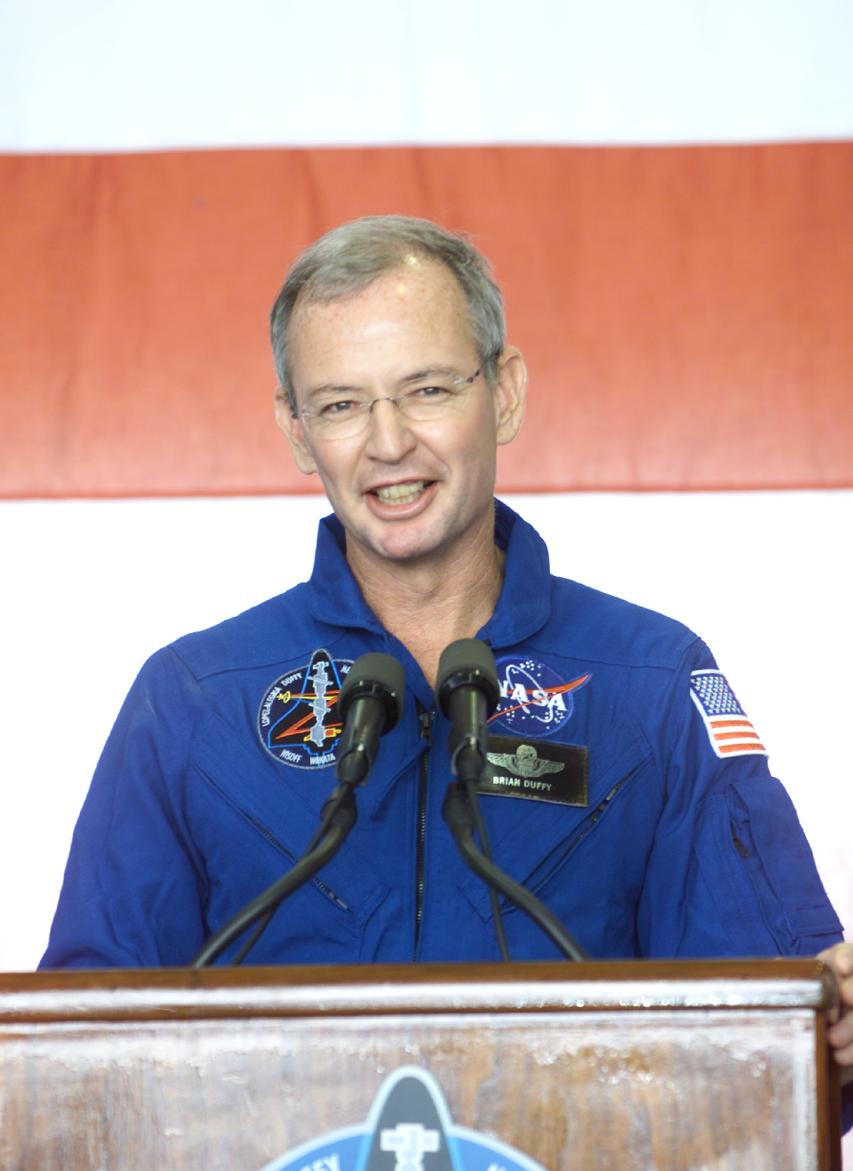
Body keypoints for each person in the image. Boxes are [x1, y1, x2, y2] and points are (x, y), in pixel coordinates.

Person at [39, 215, 853, 1091]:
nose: (388, 443)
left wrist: (832, 1034)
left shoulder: (649, 681)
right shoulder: (194, 699)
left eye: (426, 390)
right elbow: (84, 1053)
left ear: (503, 393)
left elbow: (774, 1044)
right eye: (342, 404)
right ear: (294, 429)